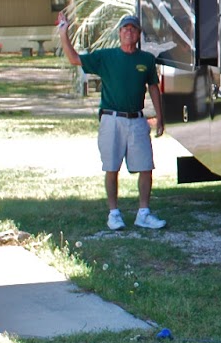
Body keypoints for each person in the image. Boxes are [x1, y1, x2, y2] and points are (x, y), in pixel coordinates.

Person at [59, 12, 166, 230]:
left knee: (146, 167)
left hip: (137, 120)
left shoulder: (146, 60)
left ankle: (143, 213)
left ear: (138, 35)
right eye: (125, 28)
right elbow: (74, 59)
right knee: (111, 167)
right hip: (111, 119)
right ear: (119, 33)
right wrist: (64, 32)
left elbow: (153, 87)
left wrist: (160, 116)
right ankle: (114, 213)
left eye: (133, 29)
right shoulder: (106, 57)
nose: (129, 32)